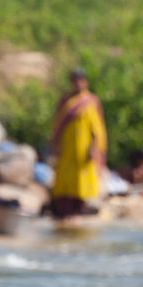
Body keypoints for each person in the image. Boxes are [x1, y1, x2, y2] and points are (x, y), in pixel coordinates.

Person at [49, 70, 107, 220]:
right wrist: (55, 144)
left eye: (81, 80)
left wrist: (94, 147)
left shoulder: (91, 101)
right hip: (67, 147)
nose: (78, 84)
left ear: (86, 82)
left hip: (83, 149)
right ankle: (63, 210)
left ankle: (78, 208)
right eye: (75, 81)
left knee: (82, 178)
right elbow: (57, 124)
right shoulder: (66, 101)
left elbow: (97, 128)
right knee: (64, 177)